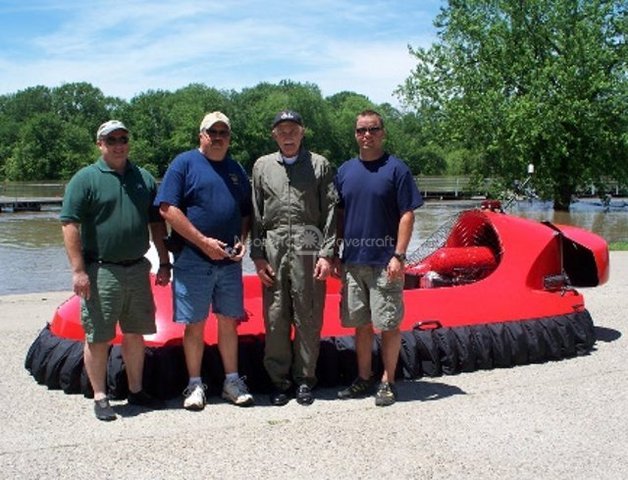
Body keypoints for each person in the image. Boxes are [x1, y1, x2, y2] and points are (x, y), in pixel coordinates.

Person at [60, 120, 171, 421]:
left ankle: (136, 389)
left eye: (123, 138)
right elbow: (69, 224)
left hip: (137, 269)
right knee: (98, 335)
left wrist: (164, 261)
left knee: (136, 333)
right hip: (100, 270)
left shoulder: (144, 178)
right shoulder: (85, 179)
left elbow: (157, 224)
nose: (119, 144)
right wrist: (78, 271)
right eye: (112, 140)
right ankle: (100, 396)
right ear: (100, 144)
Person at [155, 112, 254, 410]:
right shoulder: (184, 164)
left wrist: (243, 242)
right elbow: (167, 209)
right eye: (213, 132)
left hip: (228, 263)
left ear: (229, 137)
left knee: (228, 322)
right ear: (202, 135)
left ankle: (232, 382)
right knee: (194, 324)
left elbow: (246, 213)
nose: (218, 137)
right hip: (193, 260)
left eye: (224, 132)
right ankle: (195, 384)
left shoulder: (236, 169)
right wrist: (202, 242)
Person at [334, 109, 423, 406]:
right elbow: (340, 215)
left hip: (386, 261)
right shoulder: (345, 171)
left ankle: (388, 381)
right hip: (353, 261)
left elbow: (407, 214)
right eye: (361, 130)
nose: (367, 135)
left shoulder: (397, 170)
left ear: (383, 132)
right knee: (360, 324)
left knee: (388, 323)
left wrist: (399, 254)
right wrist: (336, 253)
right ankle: (363, 377)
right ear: (355, 134)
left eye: (373, 129)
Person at [250, 110, 337, 406]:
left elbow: (331, 213)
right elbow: (256, 213)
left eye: (293, 130)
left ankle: (304, 380)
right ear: (274, 134)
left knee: (308, 313)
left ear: (303, 132)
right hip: (273, 243)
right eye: (282, 130)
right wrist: (258, 256)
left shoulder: (319, 165)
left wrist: (327, 254)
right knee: (275, 316)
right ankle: (278, 381)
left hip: (308, 244)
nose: (288, 135)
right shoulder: (262, 166)